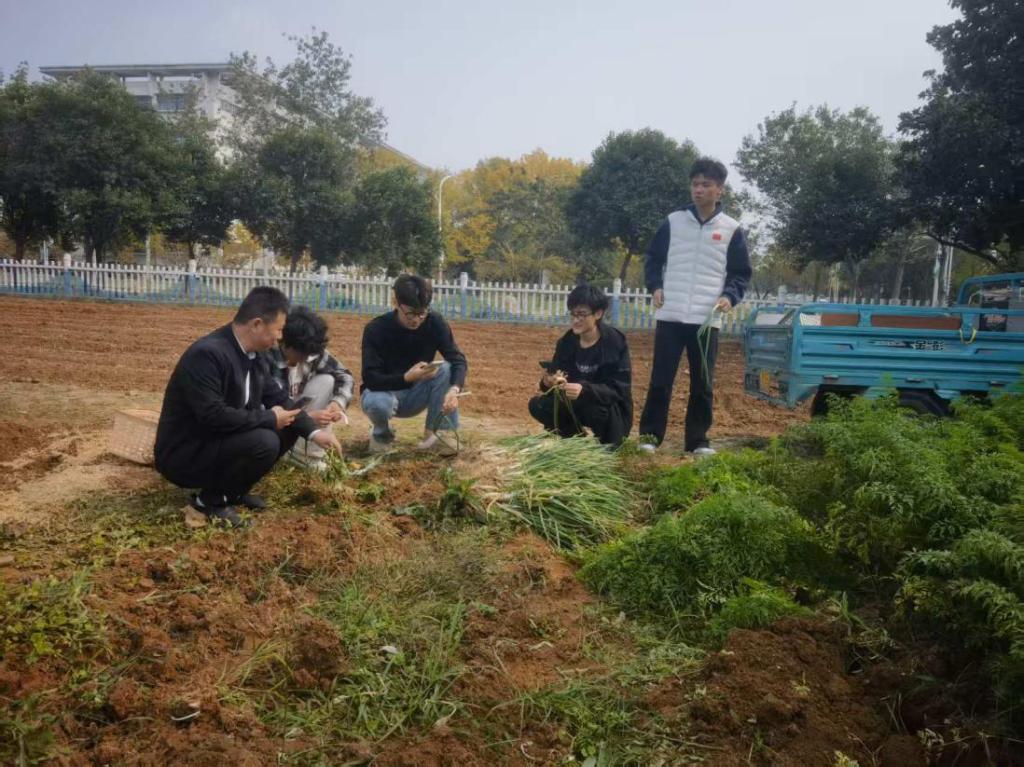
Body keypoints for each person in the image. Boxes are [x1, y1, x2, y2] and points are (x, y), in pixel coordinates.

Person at [155, 286, 342, 527]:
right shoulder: (208, 355)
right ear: (256, 324)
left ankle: (232, 491)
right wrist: (269, 418)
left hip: (219, 440)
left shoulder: (256, 355)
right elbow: (213, 416)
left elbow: (279, 399)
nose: (280, 338)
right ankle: (209, 501)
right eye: (278, 330)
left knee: (288, 426)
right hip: (186, 452)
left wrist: (315, 433)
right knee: (265, 440)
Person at [638, 157, 752, 456]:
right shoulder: (674, 222)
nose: (698, 189)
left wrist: (729, 296)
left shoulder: (731, 229)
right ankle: (649, 436)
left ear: (720, 190)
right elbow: (653, 258)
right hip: (671, 315)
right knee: (661, 380)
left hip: (705, 319)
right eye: (695, 184)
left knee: (703, 383)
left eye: (706, 185)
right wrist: (655, 286)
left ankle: (698, 441)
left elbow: (740, 273)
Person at [360, 274, 467, 456]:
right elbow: (370, 378)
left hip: (417, 392)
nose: (416, 319)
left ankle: (437, 434)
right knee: (378, 403)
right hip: (383, 393)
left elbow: (457, 359)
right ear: (395, 302)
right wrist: (406, 378)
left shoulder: (435, 323)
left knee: (447, 369)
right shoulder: (376, 329)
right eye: (410, 313)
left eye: (422, 313)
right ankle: (381, 435)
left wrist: (454, 389)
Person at [528, 284, 633, 446]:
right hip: (575, 402)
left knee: (597, 411)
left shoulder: (614, 342)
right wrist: (548, 381)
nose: (576, 320)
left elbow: (619, 389)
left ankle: (607, 443)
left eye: (582, 315)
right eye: (573, 314)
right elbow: (555, 374)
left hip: (608, 408)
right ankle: (575, 442)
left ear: (598, 314)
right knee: (539, 405)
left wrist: (585, 389)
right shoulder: (567, 342)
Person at [267, 305, 354, 471]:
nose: (305, 359)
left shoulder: (310, 351)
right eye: (301, 354)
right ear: (285, 343)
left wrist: (337, 404)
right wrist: (307, 418)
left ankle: (309, 454)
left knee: (328, 380)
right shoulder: (268, 358)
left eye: (309, 354)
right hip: (276, 422)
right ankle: (293, 453)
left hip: (297, 412)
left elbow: (345, 376)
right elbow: (265, 409)